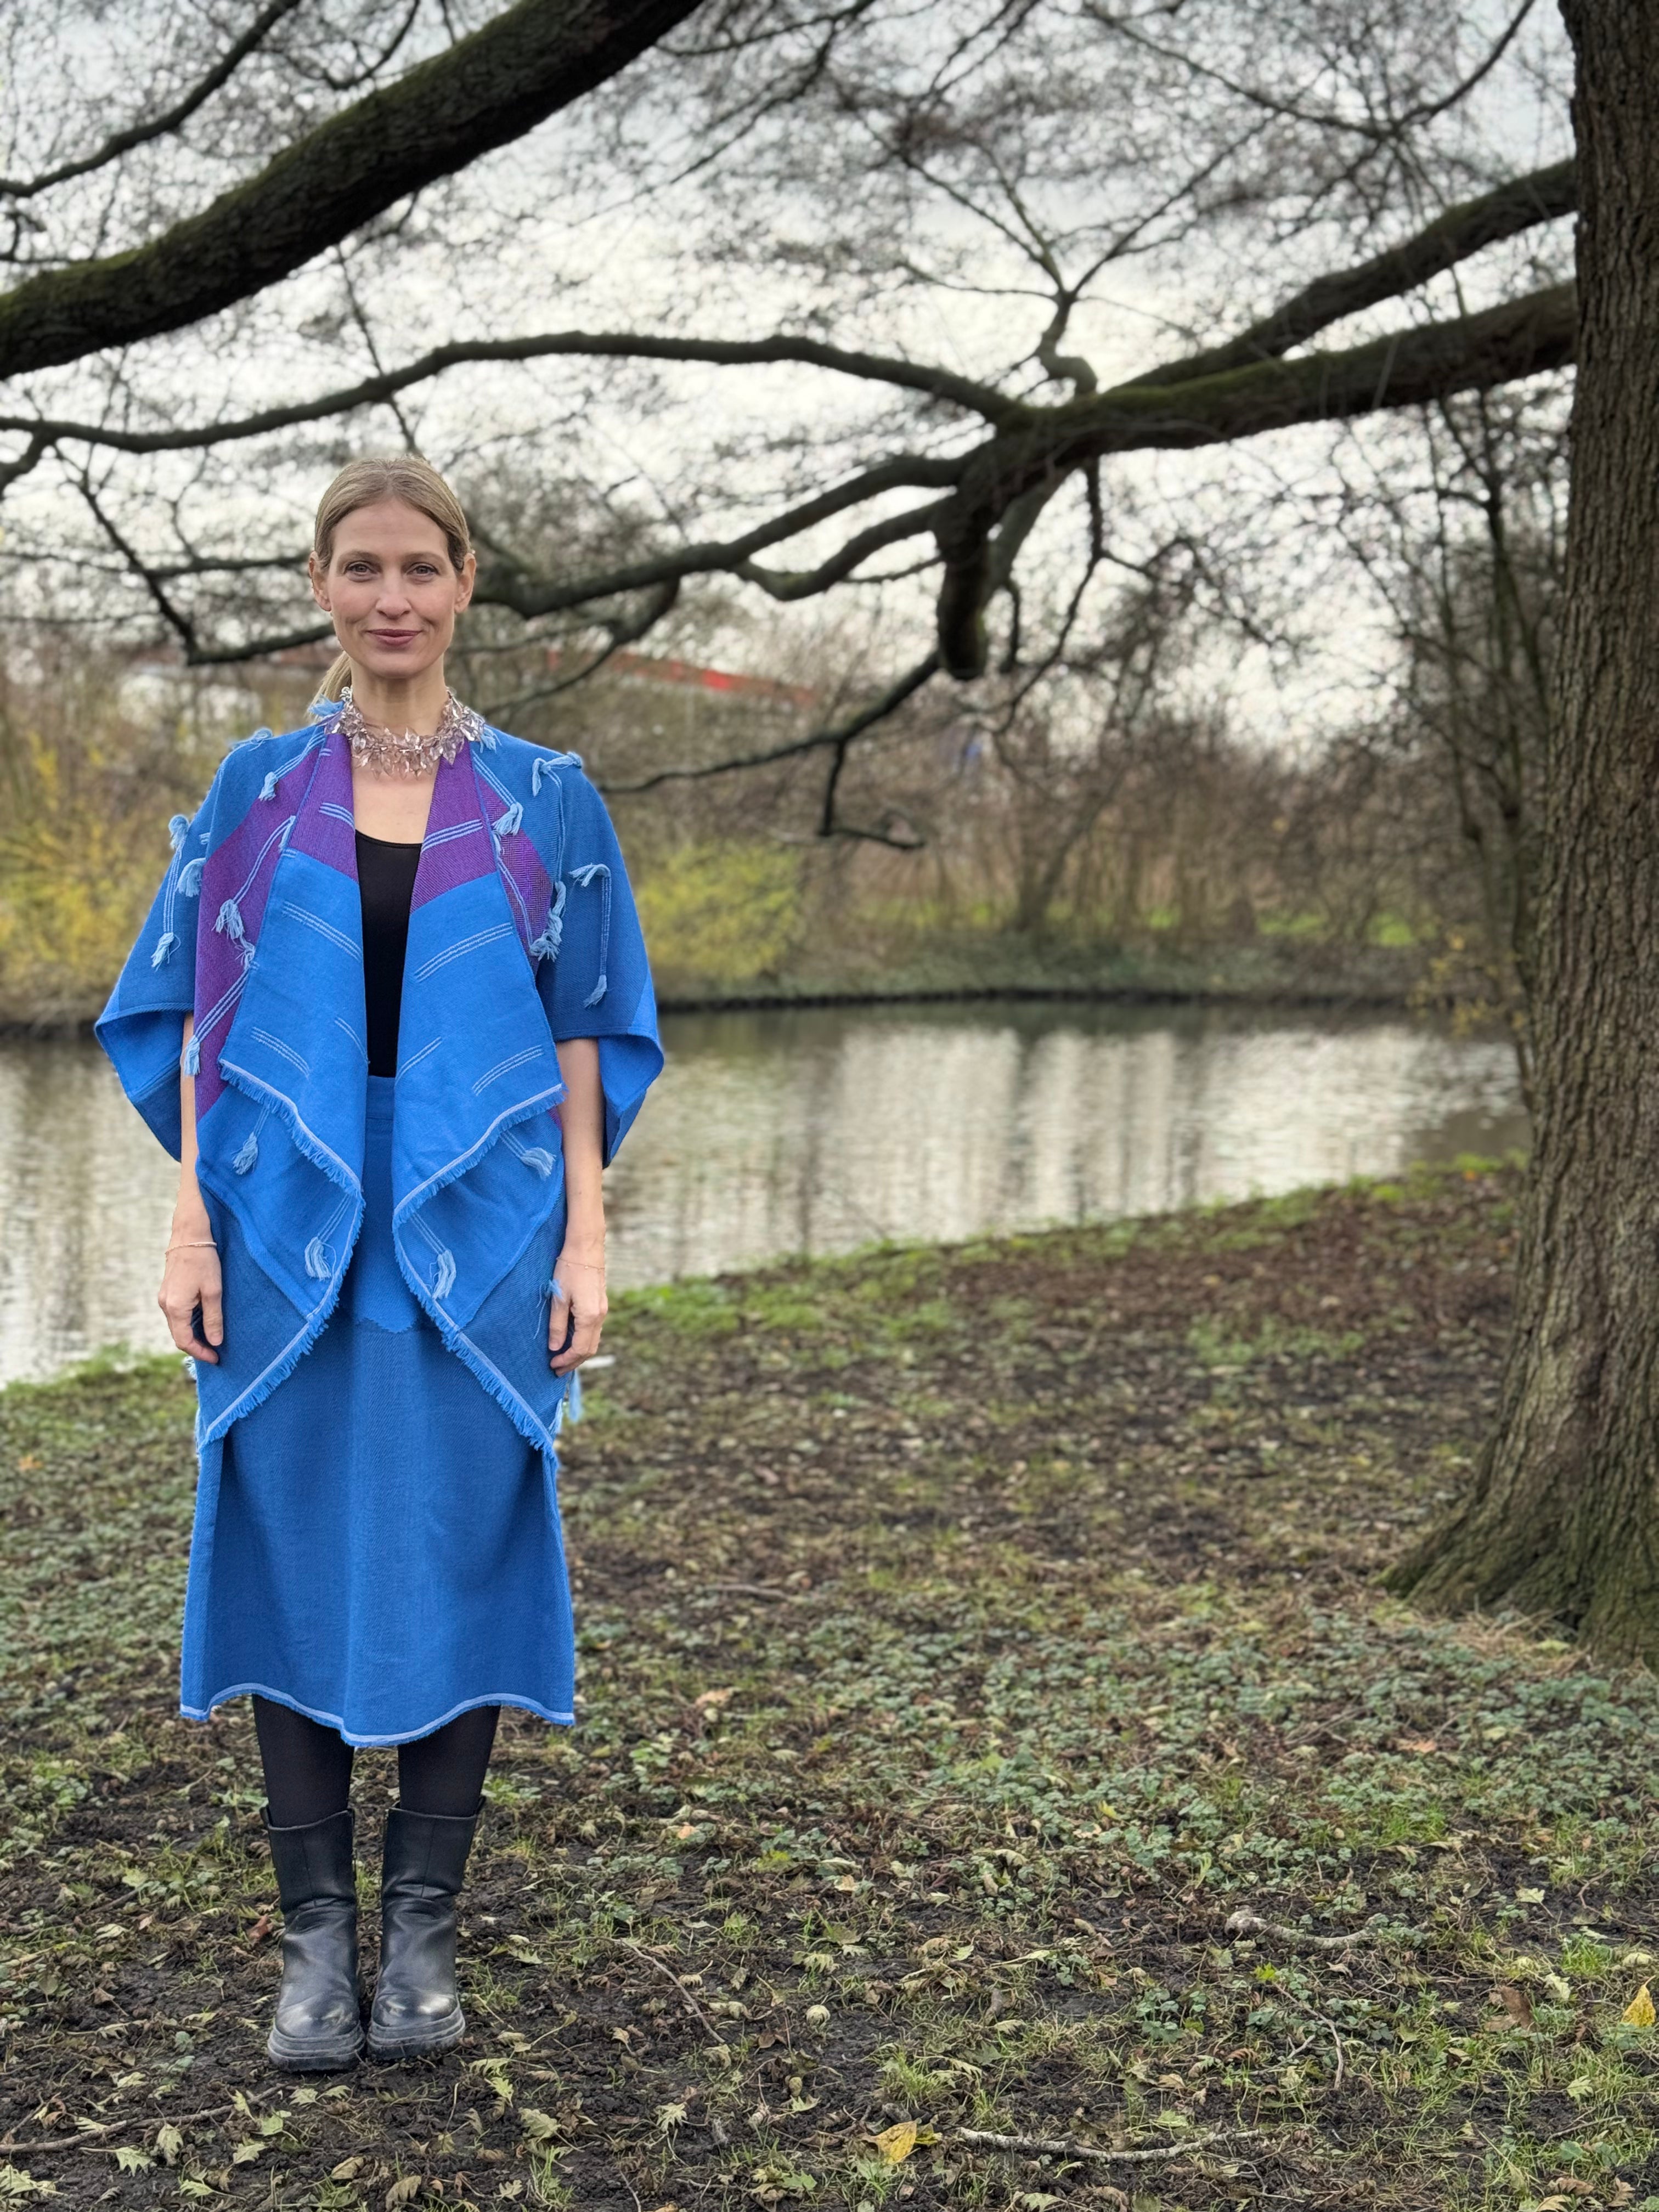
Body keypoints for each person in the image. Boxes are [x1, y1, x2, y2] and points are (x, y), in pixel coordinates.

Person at [97, 456, 662, 2071]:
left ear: (467, 583)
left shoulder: (547, 796)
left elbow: (581, 1031)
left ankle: (422, 1936)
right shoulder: (260, 787)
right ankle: (313, 1941)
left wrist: (586, 1239)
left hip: (480, 1221)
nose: (392, 597)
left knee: (460, 1542)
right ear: (321, 585)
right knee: (291, 1541)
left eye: (422, 567)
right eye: (362, 568)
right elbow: (195, 1023)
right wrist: (191, 1221)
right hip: (282, 1215)